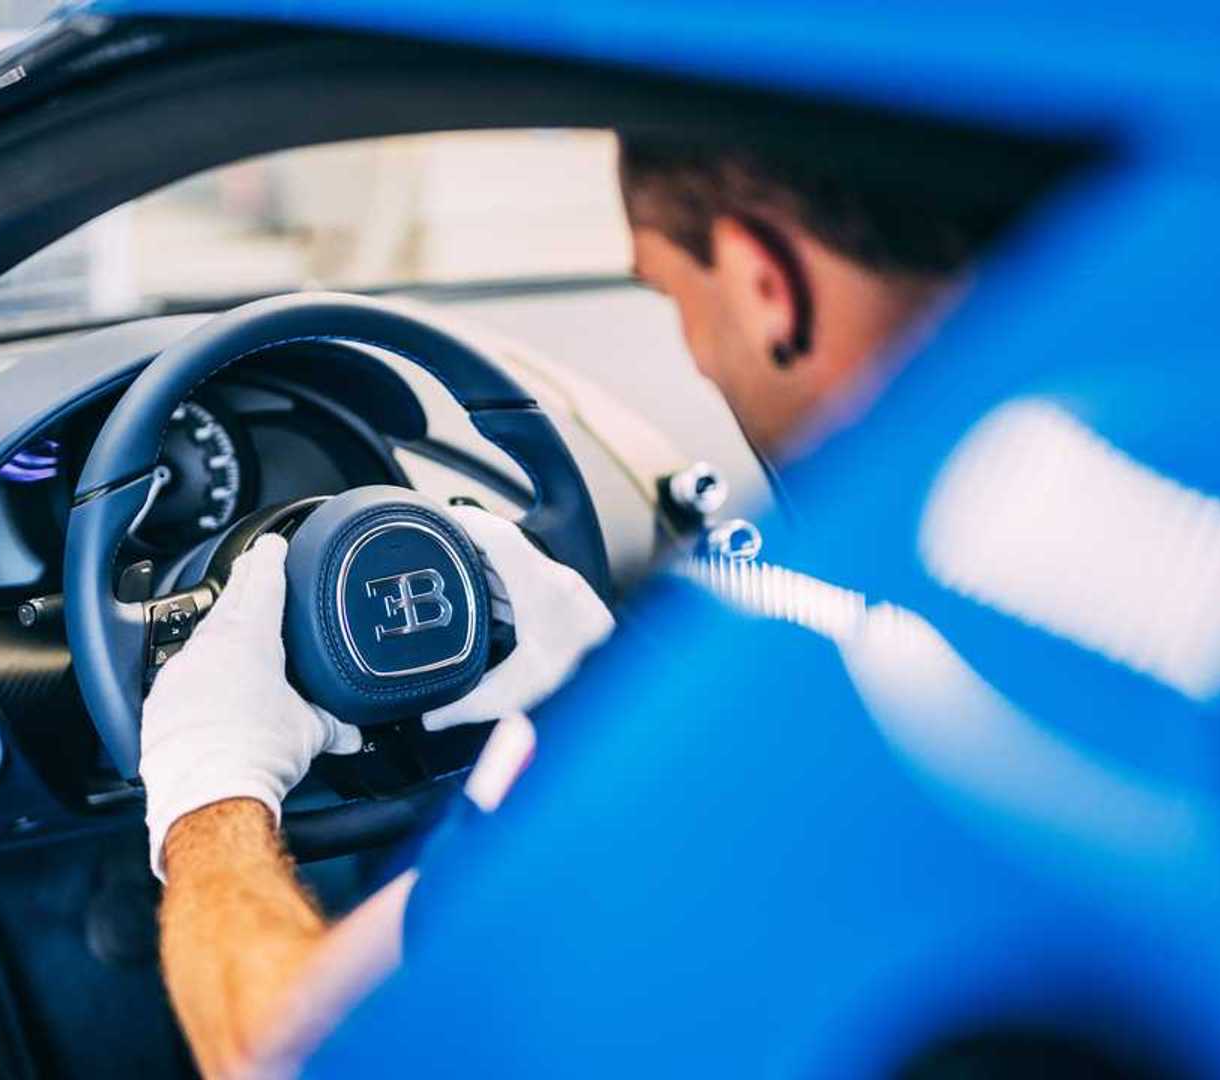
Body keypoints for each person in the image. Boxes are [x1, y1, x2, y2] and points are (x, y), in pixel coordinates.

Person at [137, 130, 1009, 1077]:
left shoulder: (731, 696)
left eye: (669, 295)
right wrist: (605, 679)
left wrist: (207, 782)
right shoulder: (1003, 588)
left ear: (767, 286)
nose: (696, 354)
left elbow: (279, 1054)